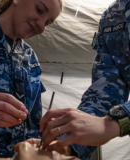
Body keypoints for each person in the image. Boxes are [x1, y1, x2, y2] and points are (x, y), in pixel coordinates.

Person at [31, 0, 130, 159]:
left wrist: (113, 124)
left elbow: (106, 125)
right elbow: (108, 91)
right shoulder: (112, 16)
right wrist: (65, 144)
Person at [0, 0, 62, 159]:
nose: (41, 25)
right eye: (39, 10)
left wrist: (38, 141)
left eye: (48, 22)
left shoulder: (30, 58)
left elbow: (32, 120)